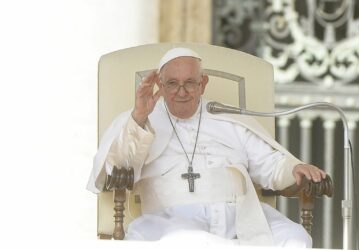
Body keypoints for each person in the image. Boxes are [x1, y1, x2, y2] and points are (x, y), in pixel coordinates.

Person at [87, 47, 326, 247]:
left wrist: (294, 169)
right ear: (160, 84)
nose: (181, 92)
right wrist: (139, 116)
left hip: (241, 215)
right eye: (172, 84)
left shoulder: (227, 117)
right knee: (190, 242)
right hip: (172, 219)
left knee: (295, 239)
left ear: (203, 84)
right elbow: (116, 166)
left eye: (190, 83)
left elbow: (269, 163)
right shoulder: (139, 118)